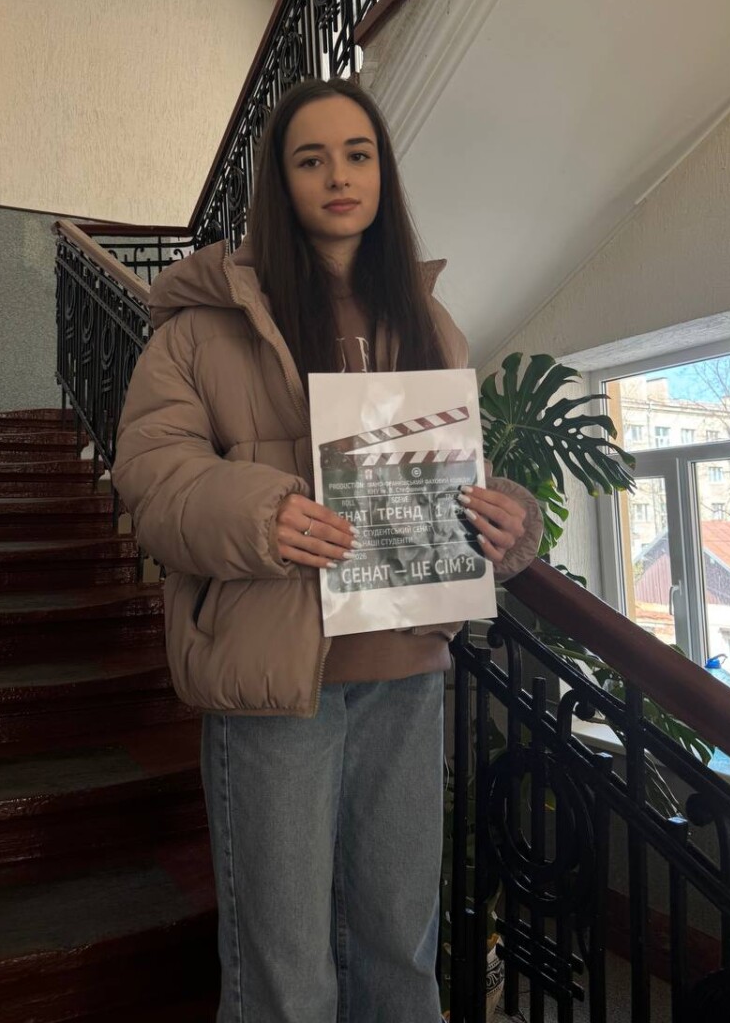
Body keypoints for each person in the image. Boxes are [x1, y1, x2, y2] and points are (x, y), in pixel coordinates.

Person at [113, 77, 543, 1023]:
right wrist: (262, 512)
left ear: (383, 173)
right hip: (276, 685)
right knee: (284, 974)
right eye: (312, 159)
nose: (339, 176)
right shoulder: (201, 326)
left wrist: (508, 522)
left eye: (358, 154)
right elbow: (151, 476)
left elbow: (460, 474)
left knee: (401, 955)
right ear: (280, 182)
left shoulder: (429, 321)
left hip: (408, 674)